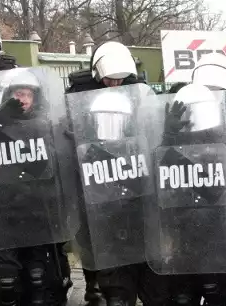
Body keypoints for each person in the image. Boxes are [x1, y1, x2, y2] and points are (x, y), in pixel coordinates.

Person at [0, 68, 76, 306]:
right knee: (7, 283)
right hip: (2, 216)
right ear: (5, 96)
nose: (23, 99)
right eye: (17, 94)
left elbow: (63, 162)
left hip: (38, 214)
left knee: (39, 278)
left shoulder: (45, 126)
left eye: (28, 94)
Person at [66, 40, 169, 306]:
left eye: (120, 80)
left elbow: (153, 127)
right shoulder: (78, 94)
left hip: (133, 173)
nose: (115, 85)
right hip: (95, 177)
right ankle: (94, 284)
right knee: (97, 242)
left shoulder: (140, 92)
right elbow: (68, 132)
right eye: (110, 79)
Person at [163, 53, 226, 306]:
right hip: (184, 220)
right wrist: (169, 134)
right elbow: (164, 166)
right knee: (183, 295)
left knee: (222, 294)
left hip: (223, 221)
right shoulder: (181, 108)